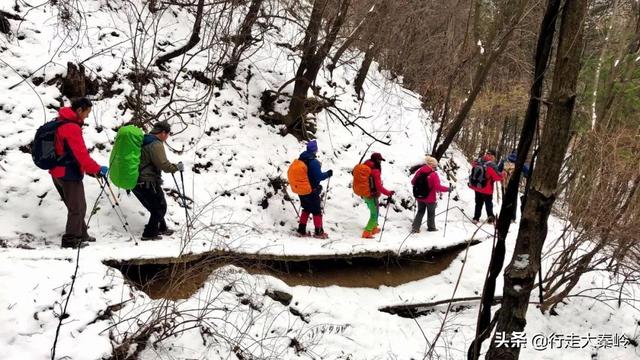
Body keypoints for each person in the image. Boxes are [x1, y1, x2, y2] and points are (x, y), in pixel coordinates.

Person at [50, 98, 109, 248]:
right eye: (87, 112)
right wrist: (96, 169)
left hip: (57, 171)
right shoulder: (71, 128)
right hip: (68, 173)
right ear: (79, 110)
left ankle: (82, 234)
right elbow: (81, 155)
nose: (87, 116)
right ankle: (70, 240)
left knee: (76, 205)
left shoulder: (60, 121)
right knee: (77, 207)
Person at [132, 121, 183, 240]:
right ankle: (149, 233)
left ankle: (161, 227)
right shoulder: (155, 144)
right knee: (159, 207)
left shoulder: (145, 140)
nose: (167, 137)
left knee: (157, 206)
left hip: (138, 181)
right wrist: (176, 167)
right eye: (168, 134)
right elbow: (163, 164)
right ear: (164, 132)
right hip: (147, 181)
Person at [295, 140, 333, 239]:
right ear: (315, 150)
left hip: (301, 190)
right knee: (316, 211)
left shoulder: (301, 159)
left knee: (306, 209)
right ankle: (318, 232)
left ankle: (301, 230)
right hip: (311, 190)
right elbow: (319, 177)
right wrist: (328, 174)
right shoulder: (313, 162)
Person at [411, 156, 452, 233]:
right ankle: (431, 227)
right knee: (431, 213)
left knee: (420, 211)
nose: (436, 167)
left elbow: (412, 182)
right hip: (430, 198)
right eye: (435, 165)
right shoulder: (433, 174)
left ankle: (415, 228)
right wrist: (448, 189)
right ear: (433, 165)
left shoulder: (419, 172)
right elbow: (438, 187)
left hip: (419, 196)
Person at [361, 152, 394, 239]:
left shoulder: (366, 165)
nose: (380, 162)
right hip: (372, 195)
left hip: (365, 193)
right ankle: (367, 232)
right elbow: (379, 186)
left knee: (375, 210)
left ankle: (374, 227)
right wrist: (388, 193)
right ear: (376, 161)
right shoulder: (375, 171)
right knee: (374, 214)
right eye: (379, 160)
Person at [469, 150, 503, 224]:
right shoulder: (492, 165)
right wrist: (503, 174)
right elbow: (497, 177)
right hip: (487, 189)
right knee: (488, 204)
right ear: (492, 156)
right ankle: (490, 219)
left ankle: (476, 218)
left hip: (477, 186)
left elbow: (473, 167)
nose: (494, 158)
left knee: (478, 203)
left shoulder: (478, 161)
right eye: (494, 157)